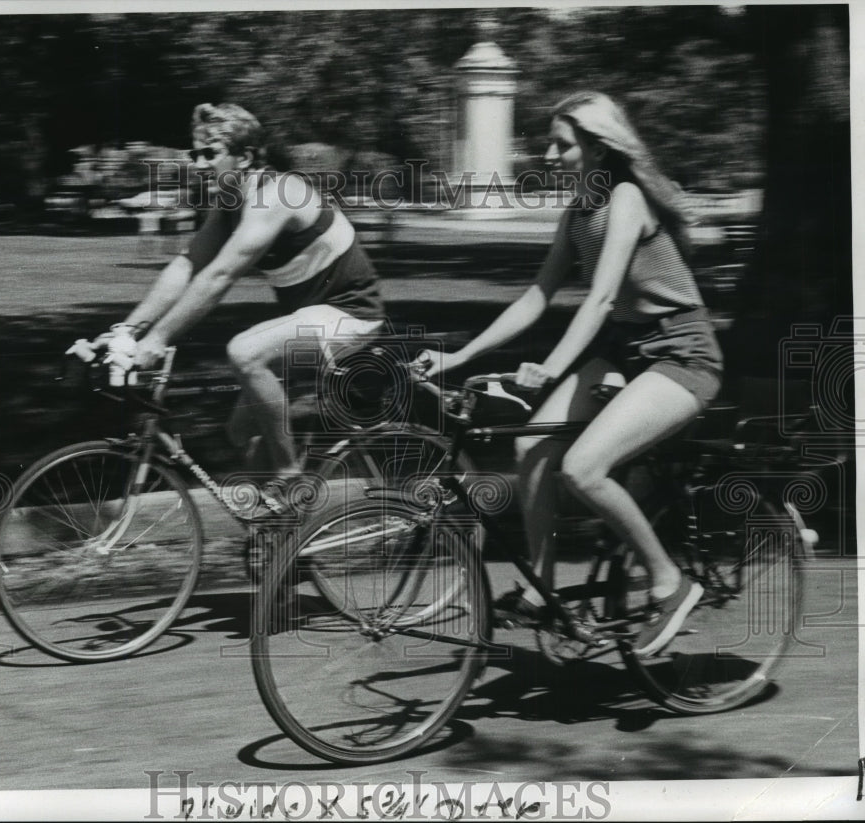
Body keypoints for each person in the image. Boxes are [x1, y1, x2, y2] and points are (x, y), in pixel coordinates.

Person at [418, 91, 723, 657]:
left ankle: (670, 584)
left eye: (563, 144)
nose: (550, 154)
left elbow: (603, 297)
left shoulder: (627, 198)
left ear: (598, 148)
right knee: (533, 448)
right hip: (627, 351)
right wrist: (459, 357)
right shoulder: (579, 211)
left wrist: (552, 366)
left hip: (682, 355)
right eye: (550, 143)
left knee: (584, 467)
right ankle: (541, 589)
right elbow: (536, 296)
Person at [99, 103, 385, 486]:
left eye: (210, 154)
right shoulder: (230, 203)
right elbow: (186, 267)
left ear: (246, 157)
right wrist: (126, 330)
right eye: (195, 155)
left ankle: (289, 476)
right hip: (310, 322)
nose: (200, 165)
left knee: (245, 352)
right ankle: (279, 526)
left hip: (351, 317)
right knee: (243, 432)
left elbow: (219, 275)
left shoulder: (276, 195)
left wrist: (158, 339)